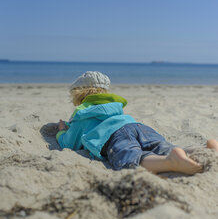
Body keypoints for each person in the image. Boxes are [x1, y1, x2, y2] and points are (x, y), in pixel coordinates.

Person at [56, 71, 218, 175]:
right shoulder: (114, 106)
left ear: (77, 96)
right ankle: (204, 148)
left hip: (113, 137)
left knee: (131, 158)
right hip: (136, 126)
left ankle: (170, 162)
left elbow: (68, 143)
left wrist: (62, 131)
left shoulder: (81, 115)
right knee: (161, 146)